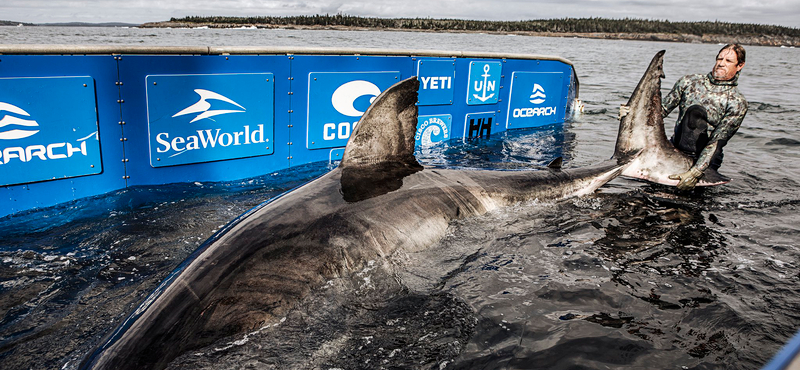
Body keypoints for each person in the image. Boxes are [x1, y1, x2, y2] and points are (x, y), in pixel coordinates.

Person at [621, 44, 748, 190]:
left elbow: (716, 142)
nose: (721, 63)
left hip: (705, 161)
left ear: (740, 65)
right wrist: (631, 115)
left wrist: (695, 173)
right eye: (719, 58)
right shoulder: (689, 82)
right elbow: (659, 113)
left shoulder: (737, 102)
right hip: (673, 152)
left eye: (728, 61)